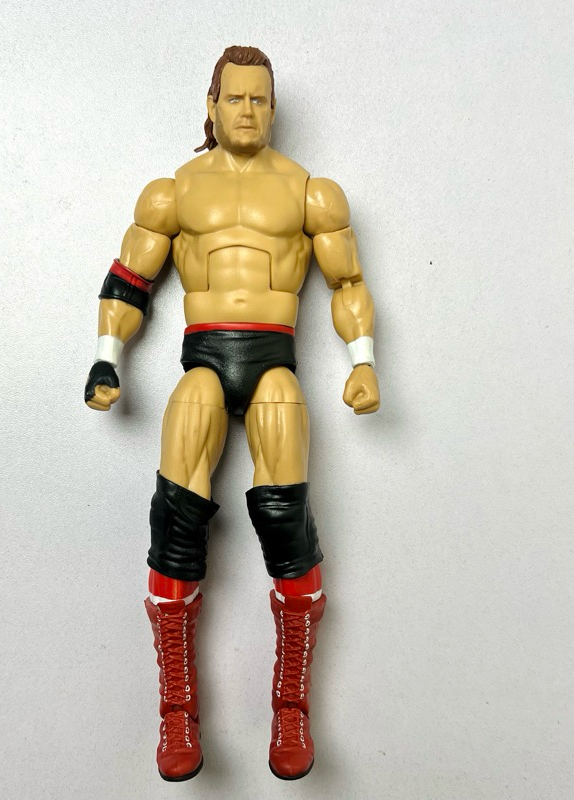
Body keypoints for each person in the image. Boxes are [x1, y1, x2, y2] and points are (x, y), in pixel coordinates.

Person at [85, 45, 380, 782]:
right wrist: (107, 359)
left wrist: (363, 360)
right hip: (205, 357)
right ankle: (176, 710)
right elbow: (128, 280)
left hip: (275, 356)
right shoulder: (174, 192)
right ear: (211, 106)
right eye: (236, 98)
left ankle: (292, 707)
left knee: (286, 516)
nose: (248, 111)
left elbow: (347, 281)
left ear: (273, 108)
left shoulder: (310, 193)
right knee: (175, 514)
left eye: (260, 99)